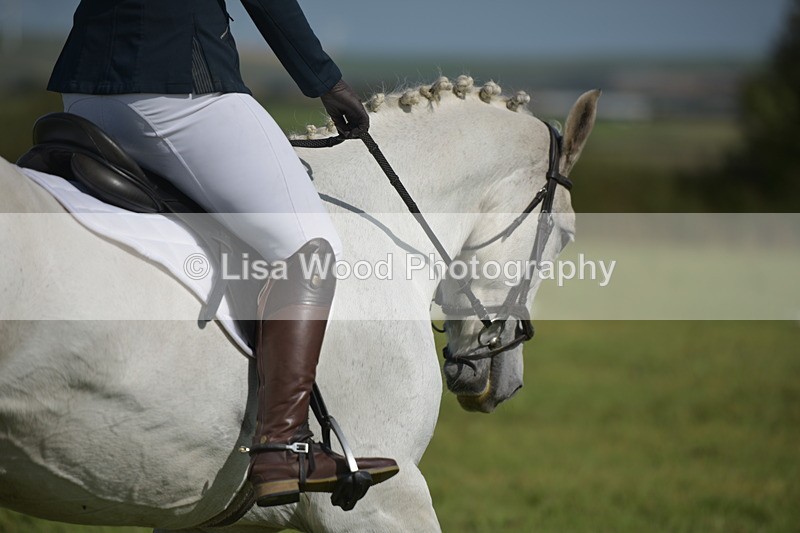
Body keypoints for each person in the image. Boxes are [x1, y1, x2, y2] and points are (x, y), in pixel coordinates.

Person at [47, 0, 398, 507]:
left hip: (81, 90)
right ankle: (283, 445)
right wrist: (325, 81)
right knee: (309, 248)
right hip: (180, 87)